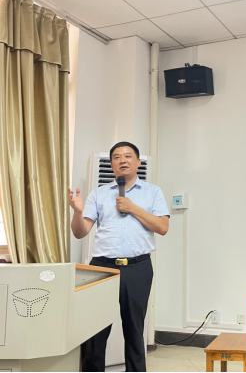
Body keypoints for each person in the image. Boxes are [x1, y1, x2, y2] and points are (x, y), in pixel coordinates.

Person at [69, 142, 170, 372]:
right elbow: (80, 232)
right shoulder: (99, 193)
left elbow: (162, 227)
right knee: (95, 332)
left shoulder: (153, 192)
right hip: (101, 268)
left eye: (127, 156)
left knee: (134, 330)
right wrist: (77, 212)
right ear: (112, 164)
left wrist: (133, 208)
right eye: (116, 157)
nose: (122, 160)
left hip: (138, 268)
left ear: (138, 162)